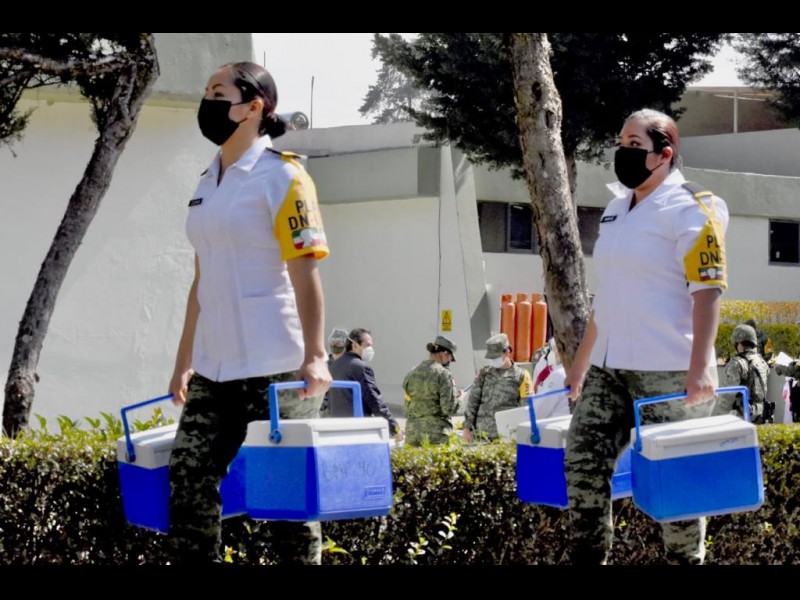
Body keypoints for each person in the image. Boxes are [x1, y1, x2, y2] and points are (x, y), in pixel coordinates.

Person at [166, 61, 332, 565]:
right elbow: (201, 281)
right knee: (188, 476)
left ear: (254, 106)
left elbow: (305, 271)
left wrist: (316, 355)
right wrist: (183, 362)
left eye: (219, 92)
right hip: (215, 368)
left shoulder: (283, 175)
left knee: (285, 500)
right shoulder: (206, 182)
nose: (207, 101)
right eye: (207, 91)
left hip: (277, 365)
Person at [563, 108, 729, 565]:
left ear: (664, 154)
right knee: (582, 458)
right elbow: (609, 296)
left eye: (635, 145)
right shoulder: (616, 208)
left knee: (674, 486)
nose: (623, 152)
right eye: (621, 143)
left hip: (669, 370)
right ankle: (588, 556)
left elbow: (708, 290)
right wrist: (579, 367)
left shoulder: (694, 205)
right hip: (609, 368)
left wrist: (700, 368)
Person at [328, 328, 403, 440]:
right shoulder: (360, 367)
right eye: (367, 345)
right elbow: (375, 400)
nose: (370, 349)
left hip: (337, 427)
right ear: (354, 345)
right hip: (357, 429)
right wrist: (394, 428)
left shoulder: (335, 365)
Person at [462, 333, 533, 443]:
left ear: (507, 352)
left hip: (506, 436)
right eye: (491, 358)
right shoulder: (485, 373)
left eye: (495, 357)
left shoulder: (522, 375)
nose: (492, 361)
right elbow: (473, 402)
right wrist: (467, 428)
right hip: (481, 435)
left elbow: (526, 408)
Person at [402, 335, 460, 446]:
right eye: (450, 358)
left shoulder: (412, 373)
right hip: (436, 435)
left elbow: (406, 409)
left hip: (412, 434)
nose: (450, 361)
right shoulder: (444, 374)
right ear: (444, 354)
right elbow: (448, 408)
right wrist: (459, 399)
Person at [713, 324, 770, 423]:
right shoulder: (761, 361)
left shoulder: (737, 363)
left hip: (741, 417)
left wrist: (719, 416)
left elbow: (727, 395)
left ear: (738, 343)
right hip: (760, 415)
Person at [321, 327, 348, 416]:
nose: (335, 345)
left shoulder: (350, 363)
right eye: (333, 342)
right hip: (326, 407)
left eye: (338, 343)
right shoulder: (325, 363)